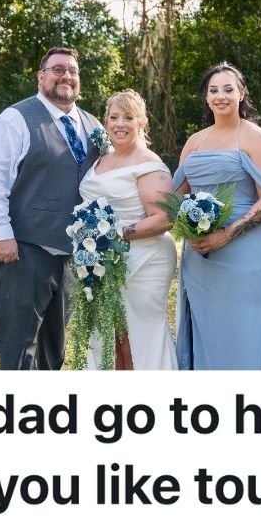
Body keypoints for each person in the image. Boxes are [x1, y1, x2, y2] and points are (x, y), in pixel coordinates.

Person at [0, 47, 104, 370]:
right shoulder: (15, 119)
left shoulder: (92, 124)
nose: (66, 76)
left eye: (73, 71)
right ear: (41, 76)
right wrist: (2, 235)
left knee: (54, 347)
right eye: (58, 69)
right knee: (18, 344)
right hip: (22, 249)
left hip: (72, 253)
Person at [173, 63, 261, 370]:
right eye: (213, 90)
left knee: (242, 325)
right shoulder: (195, 141)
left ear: (241, 93)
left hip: (244, 248)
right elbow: (176, 196)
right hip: (201, 249)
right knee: (207, 325)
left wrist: (227, 233)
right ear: (206, 98)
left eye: (228, 89)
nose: (220, 96)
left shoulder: (255, 137)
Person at [78, 89, 178, 370]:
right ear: (106, 122)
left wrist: (113, 233)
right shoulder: (102, 157)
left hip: (145, 259)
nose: (120, 123)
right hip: (103, 260)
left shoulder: (148, 162)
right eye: (113, 117)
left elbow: (164, 218)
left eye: (128, 117)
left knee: (137, 336)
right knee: (109, 336)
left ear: (141, 123)